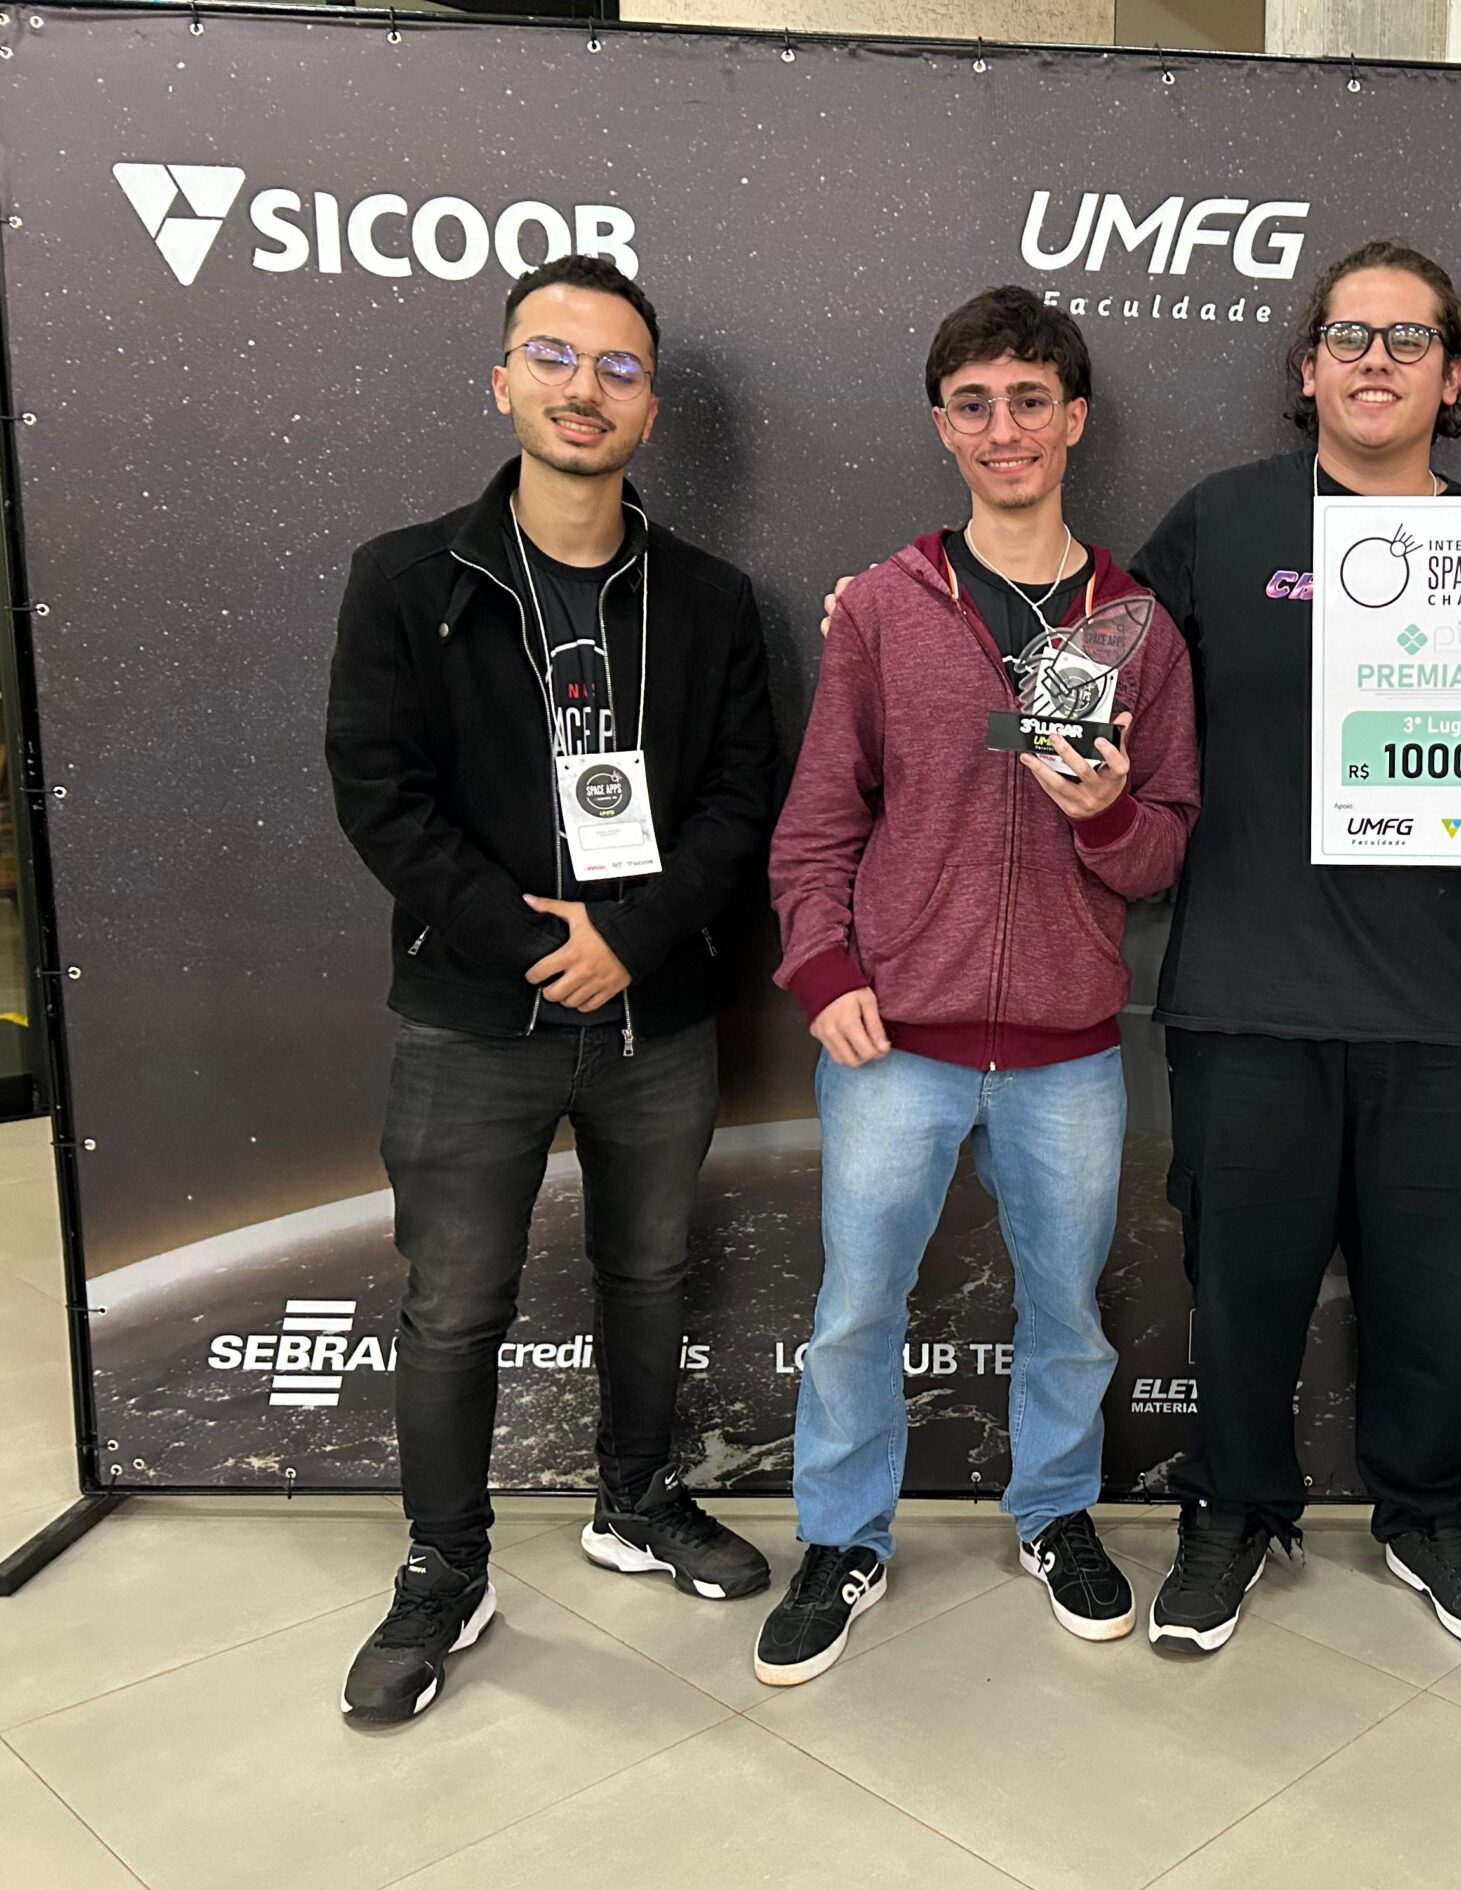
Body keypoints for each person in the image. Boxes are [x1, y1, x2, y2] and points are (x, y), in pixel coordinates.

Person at [1127, 240, 1461, 1653]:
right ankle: (1232, 1511)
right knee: (1242, 1295)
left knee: (1428, 1298)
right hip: (1250, 992)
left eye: (1409, 339)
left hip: (1447, 1006)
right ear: (1308, 367)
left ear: (1453, 376)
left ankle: (1430, 1512)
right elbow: (1091, 673)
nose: (1376, 361)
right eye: (1349, 336)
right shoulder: (1225, 519)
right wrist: (898, 621)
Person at [325, 253, 778, 1723]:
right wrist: (530, 944)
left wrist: (630, 939)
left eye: (620, 368)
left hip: (655, 1015)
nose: (587, 389)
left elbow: (743, 798)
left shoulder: (709, 599)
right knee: (456, 1304)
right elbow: (380, 797)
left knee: (649, 1272)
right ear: (503, 381)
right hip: (474, 1019)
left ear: (650, 408)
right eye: (556, 358)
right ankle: (447, 1570)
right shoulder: (408, 580)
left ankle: (633, 1502)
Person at [757, 288, 1198, 1687]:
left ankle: (1056, 1514)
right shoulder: (885, 609)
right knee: (856, 1310)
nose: (1004, 429)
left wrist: (1109, 814)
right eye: (974, 404)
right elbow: (818, 818)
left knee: (1066, 1310)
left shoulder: (1137, 628)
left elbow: (1166, 847)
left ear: (1075, 420)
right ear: (943, 426)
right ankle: (842, 1538)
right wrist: (822, 964)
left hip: (1069, 1049)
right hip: (896, 1042)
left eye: (1030, 401)